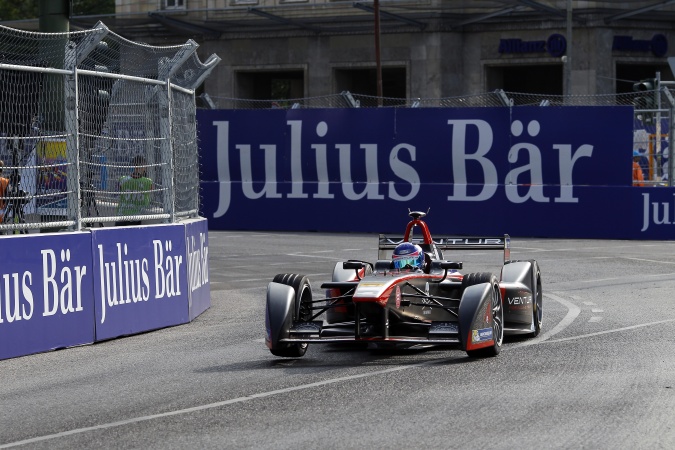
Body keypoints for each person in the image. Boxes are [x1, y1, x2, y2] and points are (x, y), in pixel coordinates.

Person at [115, 155, 153, 226]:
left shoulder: (122, 179)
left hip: (121, 215)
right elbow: (151, 192)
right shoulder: (148, 182)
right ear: (143, 167)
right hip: (137, 216)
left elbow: (117, 193)